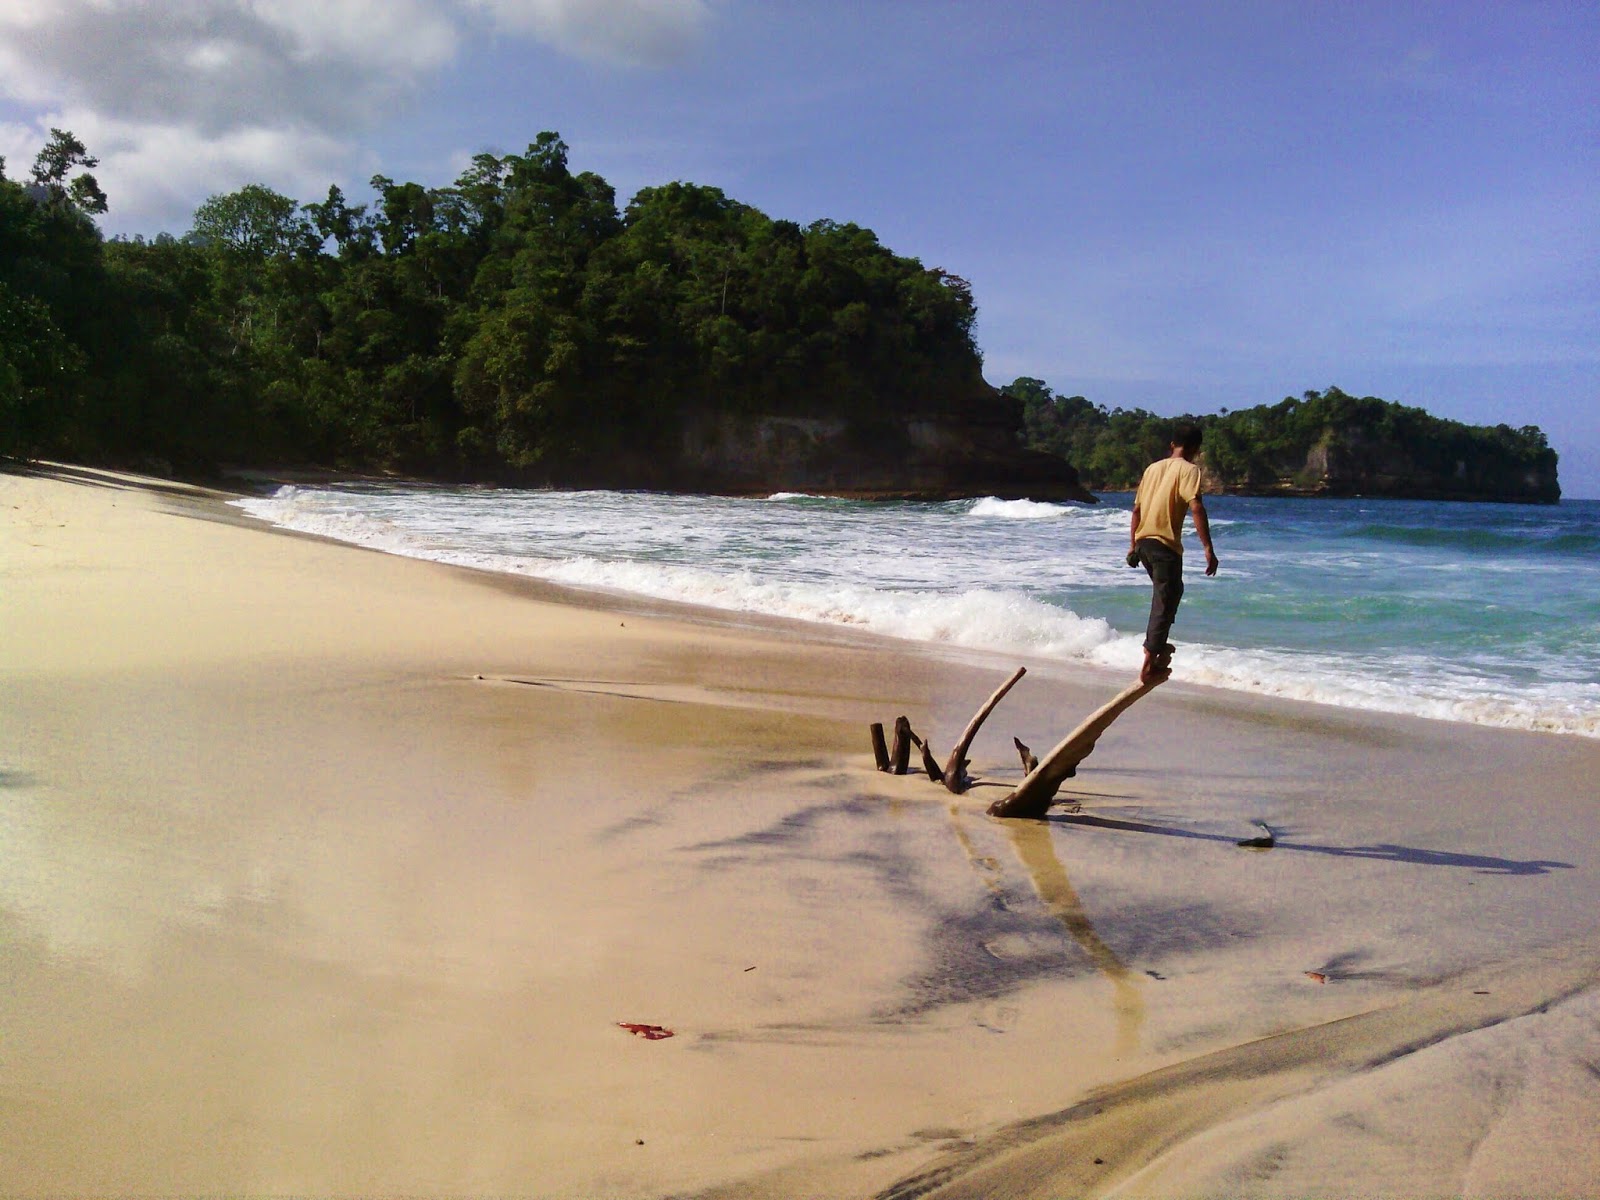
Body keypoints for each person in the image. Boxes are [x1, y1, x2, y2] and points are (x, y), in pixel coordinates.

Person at [1128, 424, 1218, 684]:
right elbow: (1196, 507)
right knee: (1164, 599)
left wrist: (1132, 546)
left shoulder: (1152, 469)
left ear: (1172, 445)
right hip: (1164, 545)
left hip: (1143, 541)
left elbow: (1136, 511)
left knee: (1171, 592)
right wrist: (1208, 548)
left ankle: (1157, 646)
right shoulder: (1190, 470)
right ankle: (1149, 661)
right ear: (1196, 450)